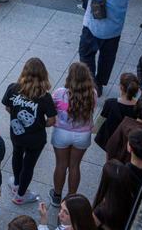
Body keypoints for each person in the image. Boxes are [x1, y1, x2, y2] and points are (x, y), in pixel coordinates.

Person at [2, 58, 57, 205]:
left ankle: (16, 184)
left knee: (17, 155)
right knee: (29, 165)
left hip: (17, 133)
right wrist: (41, 124)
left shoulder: (13, 88)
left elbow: (7, 107)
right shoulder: (45, 97)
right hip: (35, 139)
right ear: (43, 75)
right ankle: (20, 195)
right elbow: (52, 120)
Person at [77, 0, 133, 94]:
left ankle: (90, 84)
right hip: (115, 29)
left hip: (95, 27)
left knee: (86, 55)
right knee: (107, 58)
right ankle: (100, 83)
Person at [50, 62, 97, 206]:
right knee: (75, 166)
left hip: (61, 133)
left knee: (61, 164)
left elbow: (52, 110)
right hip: (83, 135)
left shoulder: (59, 93)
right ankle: (71, 199)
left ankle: (57, 196)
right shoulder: (93, 94)